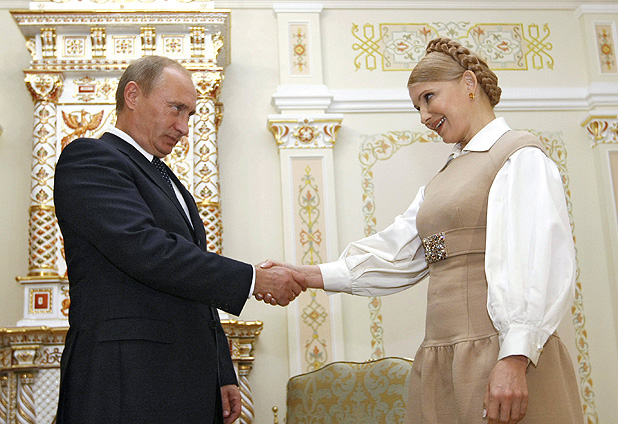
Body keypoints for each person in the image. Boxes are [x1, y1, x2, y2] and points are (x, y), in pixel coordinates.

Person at [258, 37, 583, 424]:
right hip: (443, 360)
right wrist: (306, 275)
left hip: (500, 355)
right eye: (417, 107)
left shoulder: (520, 154)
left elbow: (536, 260)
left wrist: (514, 358)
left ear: (469, 83)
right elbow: (398, 253)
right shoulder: (445, 176)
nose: (424, 116)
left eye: (429, 97)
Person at [54, 55, 306, 424]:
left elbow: (191, 281)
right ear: (133, 95)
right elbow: (146, 250)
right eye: (176, 109)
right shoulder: (91, 158)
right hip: (124, 379)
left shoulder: (167, 179)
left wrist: (221, 371)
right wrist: (254, 279)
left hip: (182, 380)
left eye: (189, 113)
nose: (184, 127)